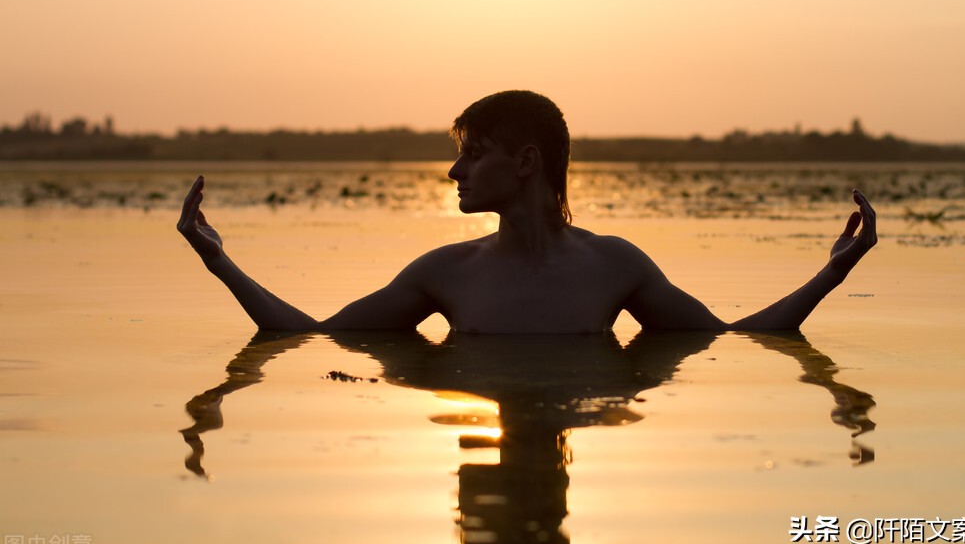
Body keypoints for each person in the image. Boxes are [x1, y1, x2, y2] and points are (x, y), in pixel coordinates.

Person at [177, 90, 877, 333]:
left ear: (525, 163)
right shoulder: (441, 274)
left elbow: (728, 341)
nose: (454, 170)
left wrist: (829, 276)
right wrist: (219, 263)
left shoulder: (615, 266)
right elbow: (314, 339)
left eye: (472, 153)